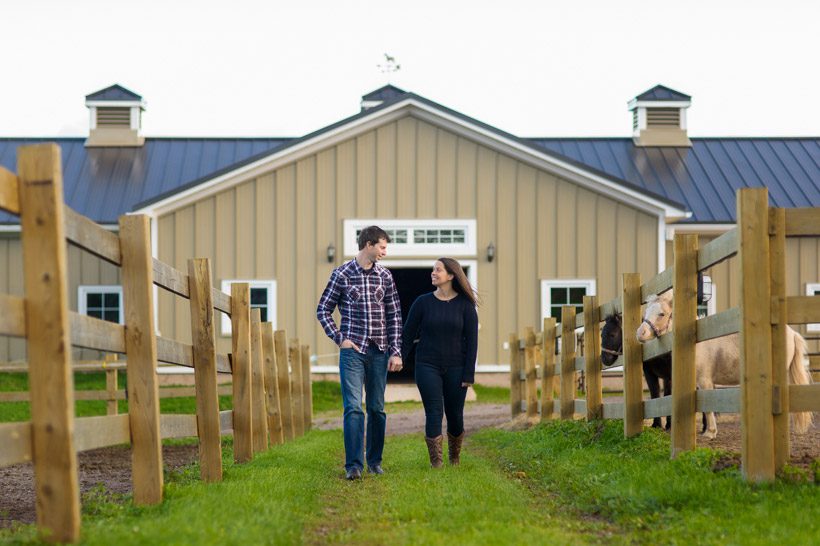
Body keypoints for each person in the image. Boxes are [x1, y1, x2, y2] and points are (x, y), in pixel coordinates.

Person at [316, 226, 403, 480]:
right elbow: (323, 309)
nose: (385, 252)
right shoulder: (341, 274)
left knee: (377, 408)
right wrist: (339, 338)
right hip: (352, 352)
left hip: (379, 352)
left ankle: (374, 461)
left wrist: (396, 351)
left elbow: (394, 316)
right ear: (368, 244)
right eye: (382, 247)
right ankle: (353, 465)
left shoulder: (385, 277)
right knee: (353, 408)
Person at [401, 258, 478, 468]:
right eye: (433, 269)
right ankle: (437, 463)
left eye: (438, 270)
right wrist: (398, 356)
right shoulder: (422, 302)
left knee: (454, 415)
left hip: (457, 367)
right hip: (427, 365)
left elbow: (472, 342)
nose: (433, 273)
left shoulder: (466, 306)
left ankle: (454, 457)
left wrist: (468, 374)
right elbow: (407, 334)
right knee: (434, 411)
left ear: (451, 275)